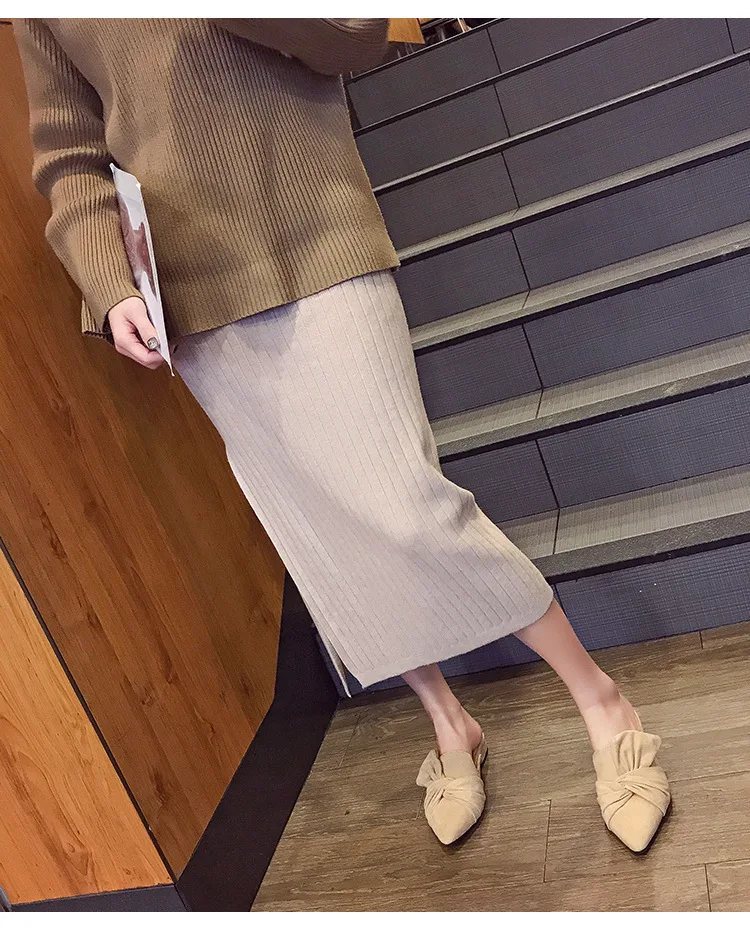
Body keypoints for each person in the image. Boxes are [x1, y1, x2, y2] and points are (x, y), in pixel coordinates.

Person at [14, 18, 670, 851]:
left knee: (409, 507)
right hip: (193, 298)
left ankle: (603, 702)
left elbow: (354, 38)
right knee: (322, 534)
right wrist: (110, 286)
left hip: (315, 232)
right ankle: (449, 722)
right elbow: (69, 158)